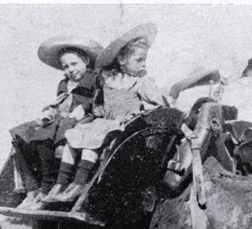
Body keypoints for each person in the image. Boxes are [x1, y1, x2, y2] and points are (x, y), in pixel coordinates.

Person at [46, 23, 167, 203]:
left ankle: (79, 183)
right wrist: (97, 108)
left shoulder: (142, 82)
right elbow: (98, 101)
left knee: (92, 141)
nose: (143, 64)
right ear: (122, 61)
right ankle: (60, 183)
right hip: (104, 121)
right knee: (74, 136)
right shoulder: (108, 78)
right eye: (139, 60)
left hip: (122, 126)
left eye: (144, 60)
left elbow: (160, 106)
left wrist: (141, 113)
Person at [10, 36, 102, 210]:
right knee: (21, 134)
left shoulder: (94, 78)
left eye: (74, 64)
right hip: (60, 119)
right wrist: (48, 111)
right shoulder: (63, 83)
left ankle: (47, 185)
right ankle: (32, 189)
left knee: (45, 135)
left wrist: (84, 106)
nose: (70, 70)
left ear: (86, 61)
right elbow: (57, 103)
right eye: (66, 66)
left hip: (80, 119)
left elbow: (99, 100)